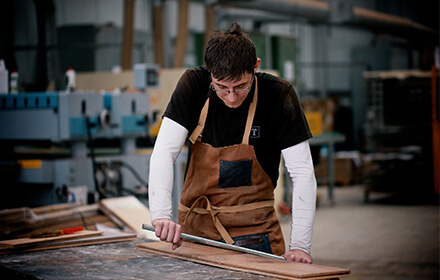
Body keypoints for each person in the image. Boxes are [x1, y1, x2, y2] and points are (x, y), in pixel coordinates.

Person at [148, 22, 317, 264]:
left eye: (240, 86)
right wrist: (161, 215)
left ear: (255, 67)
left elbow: (302, 173)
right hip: (198, 234)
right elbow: (164, 151)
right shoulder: (193, 86)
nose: (231, 97)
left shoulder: (279, 95)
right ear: (210, 73)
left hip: (258, 237)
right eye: (221, 87)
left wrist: (300, 246)